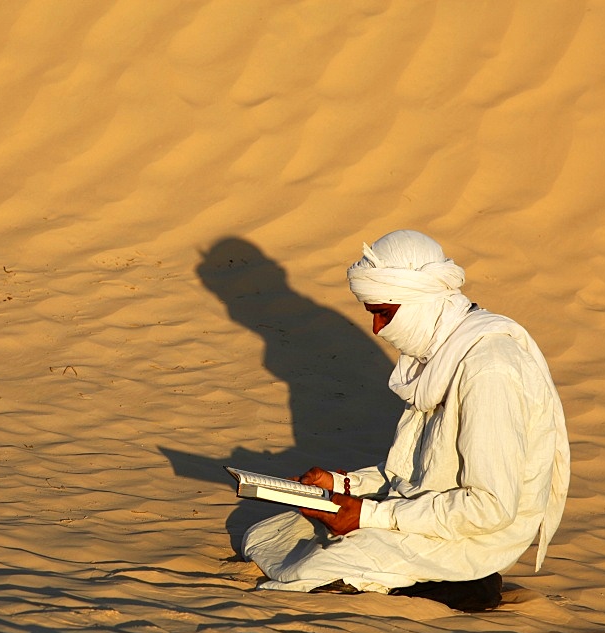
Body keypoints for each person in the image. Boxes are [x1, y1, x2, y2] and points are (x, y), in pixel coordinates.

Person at [240, 230, 570, 611]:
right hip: (422, 509)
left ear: (420, 302)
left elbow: (491, 507)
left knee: (310, 571)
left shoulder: (488, 368)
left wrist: (368, 515)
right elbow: (416, 469)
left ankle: (465, 584)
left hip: (474, 536)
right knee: (269, 536)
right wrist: (342, 483)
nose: (378, 330)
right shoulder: (438, 354)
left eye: (385, 313)